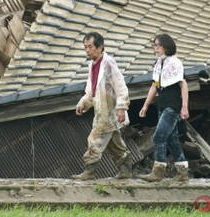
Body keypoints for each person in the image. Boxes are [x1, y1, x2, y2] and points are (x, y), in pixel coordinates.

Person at [73, 32, 132, 180]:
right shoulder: (92, 65)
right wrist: (84, 103)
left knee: (95, 140)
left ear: (100, 47)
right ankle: (126, 171)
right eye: (85, 47)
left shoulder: (108, 63)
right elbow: (91, 90)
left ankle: (89, 172)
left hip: (109, 111)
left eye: (90, 47)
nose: (87, 50)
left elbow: (121, 86)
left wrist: (121, 107)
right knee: (115, 145)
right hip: (102, 111)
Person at [138, 33, 190, 182]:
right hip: (162, 105)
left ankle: (158, 171)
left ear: (166, 46)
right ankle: (182, 173)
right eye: (154, 45)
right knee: (172, 139)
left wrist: (185, 107)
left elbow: (183, 84)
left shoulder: (175, 63)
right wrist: (146, 105)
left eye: (158, 45)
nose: (156, 48)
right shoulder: (159, 64)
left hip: (173, 106)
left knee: (159, 136)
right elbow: (155, 85)